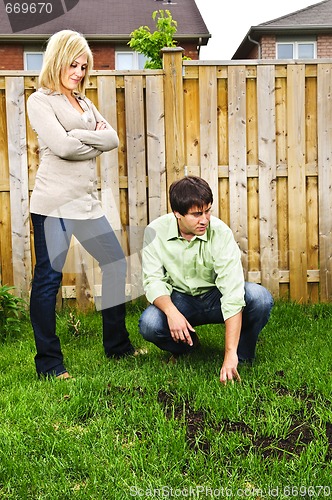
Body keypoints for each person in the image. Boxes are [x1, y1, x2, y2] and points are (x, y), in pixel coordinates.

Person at [27, 30, 135, 379]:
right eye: (72, 64)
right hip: (54, 206)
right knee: (48, 280)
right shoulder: (40, 101)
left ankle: (118, 348)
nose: (78, 72)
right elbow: (62, 148)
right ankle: (49, 364)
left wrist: (78, 136)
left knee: (116, 264)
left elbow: (113, 139)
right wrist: (88, 140)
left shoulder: (84, 103)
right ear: (57, 61)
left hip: (87, 205)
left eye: (83, 66)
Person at [139, 176, 273, 384]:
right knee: (150, 324)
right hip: (181, 299)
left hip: (215, 296)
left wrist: (229, 353)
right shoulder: (154, 232)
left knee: (260, 298)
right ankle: (188, 348)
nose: (205, 220)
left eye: (208, 211)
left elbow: (232, 292)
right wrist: (172, 313)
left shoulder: (220, 233)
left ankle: (241, 356)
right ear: (177, 214)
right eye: (197, 214)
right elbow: (153, 280)